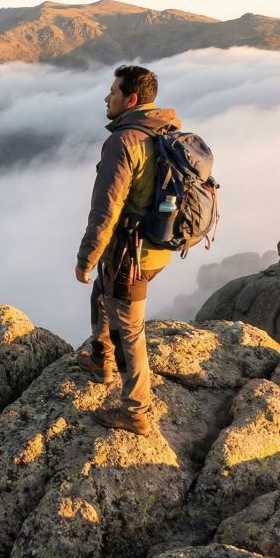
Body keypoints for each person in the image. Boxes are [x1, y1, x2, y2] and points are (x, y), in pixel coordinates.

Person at [74, 65, 180, 436]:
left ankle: (136, 410)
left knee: (128, 329)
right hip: (155, 246)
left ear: (131, 99)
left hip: (131, 253)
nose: (107, 97)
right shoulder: (164, 131)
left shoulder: (123, 141)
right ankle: (101, 360)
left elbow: (107, 208)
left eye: (113, 92)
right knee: (102, 293)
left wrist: (87, 256)